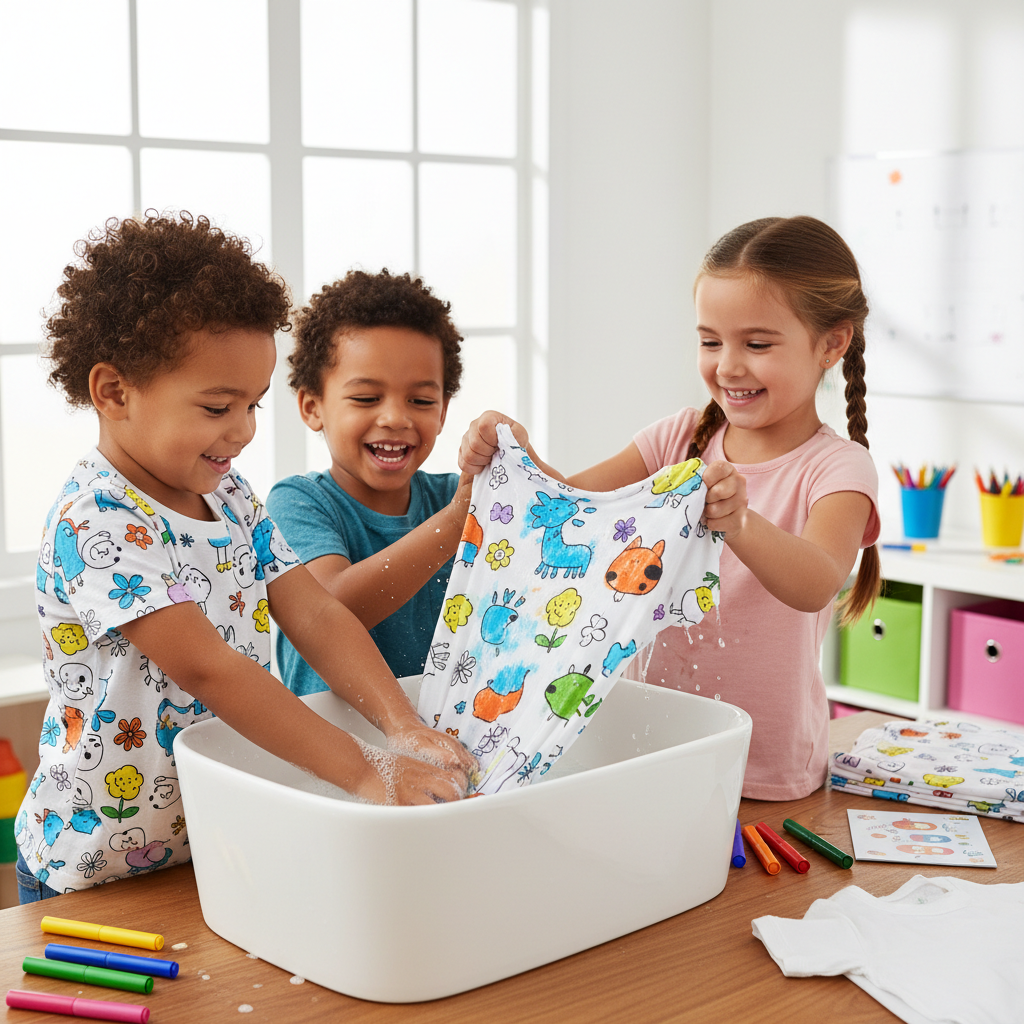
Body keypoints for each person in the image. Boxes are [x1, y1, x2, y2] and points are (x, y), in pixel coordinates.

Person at [14, 214, 474, 903]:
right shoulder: (97, 521)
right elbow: (208, 667)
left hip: (215, 835)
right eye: (217, 406)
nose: (244, 430)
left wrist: (401, 724)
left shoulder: (228, 494)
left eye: (253, 404)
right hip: (93, 868)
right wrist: (365, 770)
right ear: (114, 392)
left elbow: (314, 611)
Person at [458, 216, 881, 801]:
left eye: (756, 344)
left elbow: (816, 582)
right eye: (711, 341)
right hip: (647, 740)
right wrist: (513, 452)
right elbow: (576, 510)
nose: (727, 365)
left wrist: (740, 523)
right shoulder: (677, 439)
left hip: (763, 762)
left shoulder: (837, 468)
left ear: (832, 343)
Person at [265, 270, 472, 693]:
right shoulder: (299, 502)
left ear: (443, 412)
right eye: (365, 398)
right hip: (333, 749)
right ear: (312, 406)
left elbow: (563, 509)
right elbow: (329, 610)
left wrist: (518, 456)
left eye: (421, 401)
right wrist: (457, 523)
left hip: (444, 743)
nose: (396, 417)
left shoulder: (455, 496)